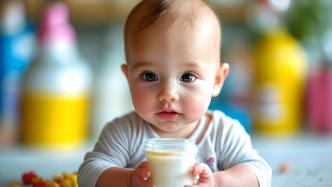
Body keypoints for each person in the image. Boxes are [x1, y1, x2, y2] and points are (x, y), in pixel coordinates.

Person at [78, 0, 272, 187]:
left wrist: (217, 182)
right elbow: (88, 173)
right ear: (129, 79)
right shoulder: (125, 133)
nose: (168, 94)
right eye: (149, 75)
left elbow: (260, 173)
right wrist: (128, 181)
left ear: (217, 80)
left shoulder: (223, 133)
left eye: (187, 77)